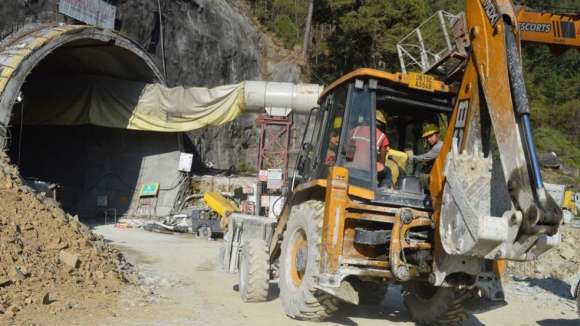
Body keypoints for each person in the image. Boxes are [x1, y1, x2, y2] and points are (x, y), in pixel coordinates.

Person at [346, 111, 392, 188]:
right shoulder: (382, 137)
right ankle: (382, 191)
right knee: (387, 172)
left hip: (348, 167)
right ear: (382, 125)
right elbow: (382, 162)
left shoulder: (354, 130)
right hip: (367, 171)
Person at [407, 123, 442, 189]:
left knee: (418, 178)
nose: (428, 139)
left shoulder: (438, 147)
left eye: (431, 136)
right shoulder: (436, 146)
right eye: (426, 137)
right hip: (436, 175)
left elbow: (423, 158)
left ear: (437, 134)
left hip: (438, 179)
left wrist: (411, 156)